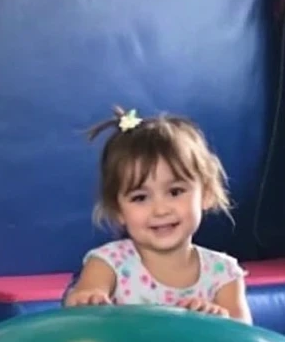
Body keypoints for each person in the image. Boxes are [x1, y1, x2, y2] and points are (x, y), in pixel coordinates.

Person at [65, 109, 251, 323]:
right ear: (118, 210)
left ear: (206, 193)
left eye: (175, 192)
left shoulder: (223, 274)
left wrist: (217, 321)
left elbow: (244, 341)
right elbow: (80, 308)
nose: (161, 210)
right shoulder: (110, 263)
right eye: (140, 198)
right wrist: (88, 302)